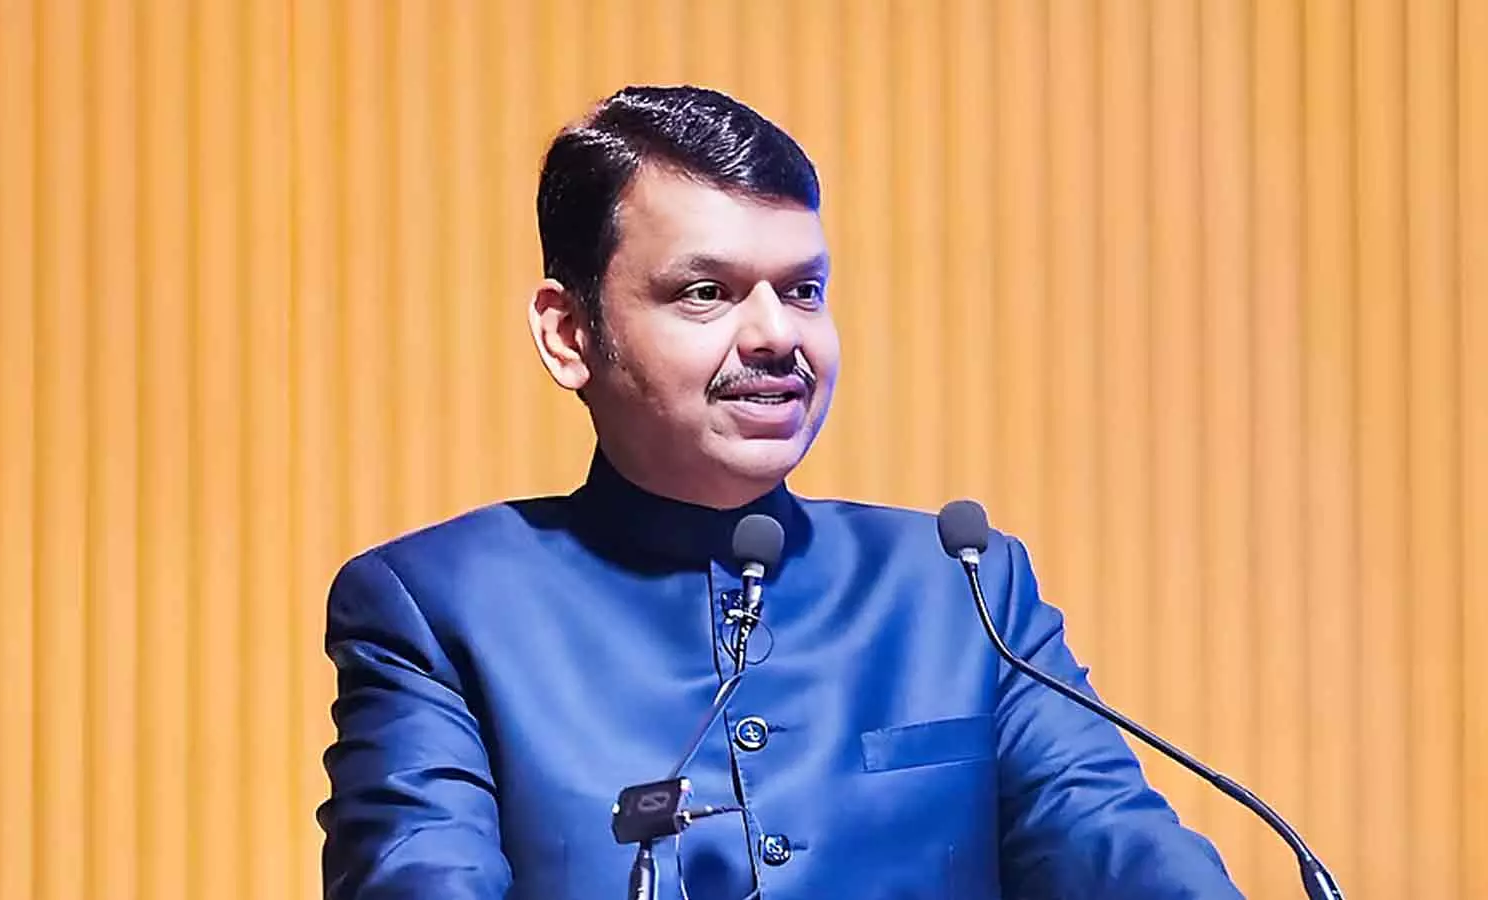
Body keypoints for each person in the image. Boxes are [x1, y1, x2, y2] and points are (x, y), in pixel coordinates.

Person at [318, 85, 1243, 900]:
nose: (775, 336)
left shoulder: (961, 588)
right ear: (570, 334)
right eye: (705, 292)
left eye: (803, 291)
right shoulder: (441, 610)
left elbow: (1117, 847)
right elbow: (418, 874)